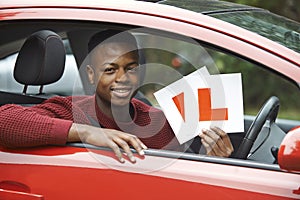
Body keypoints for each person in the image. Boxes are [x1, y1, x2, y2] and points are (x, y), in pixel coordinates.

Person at [0, 30, 233, 163]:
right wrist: (88, 132)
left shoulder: (162, 120)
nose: (122, 78)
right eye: (110, 70)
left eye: (130, 68)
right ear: (91, 75)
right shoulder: (70, 109)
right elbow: (4, 119)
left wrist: (218, 159)